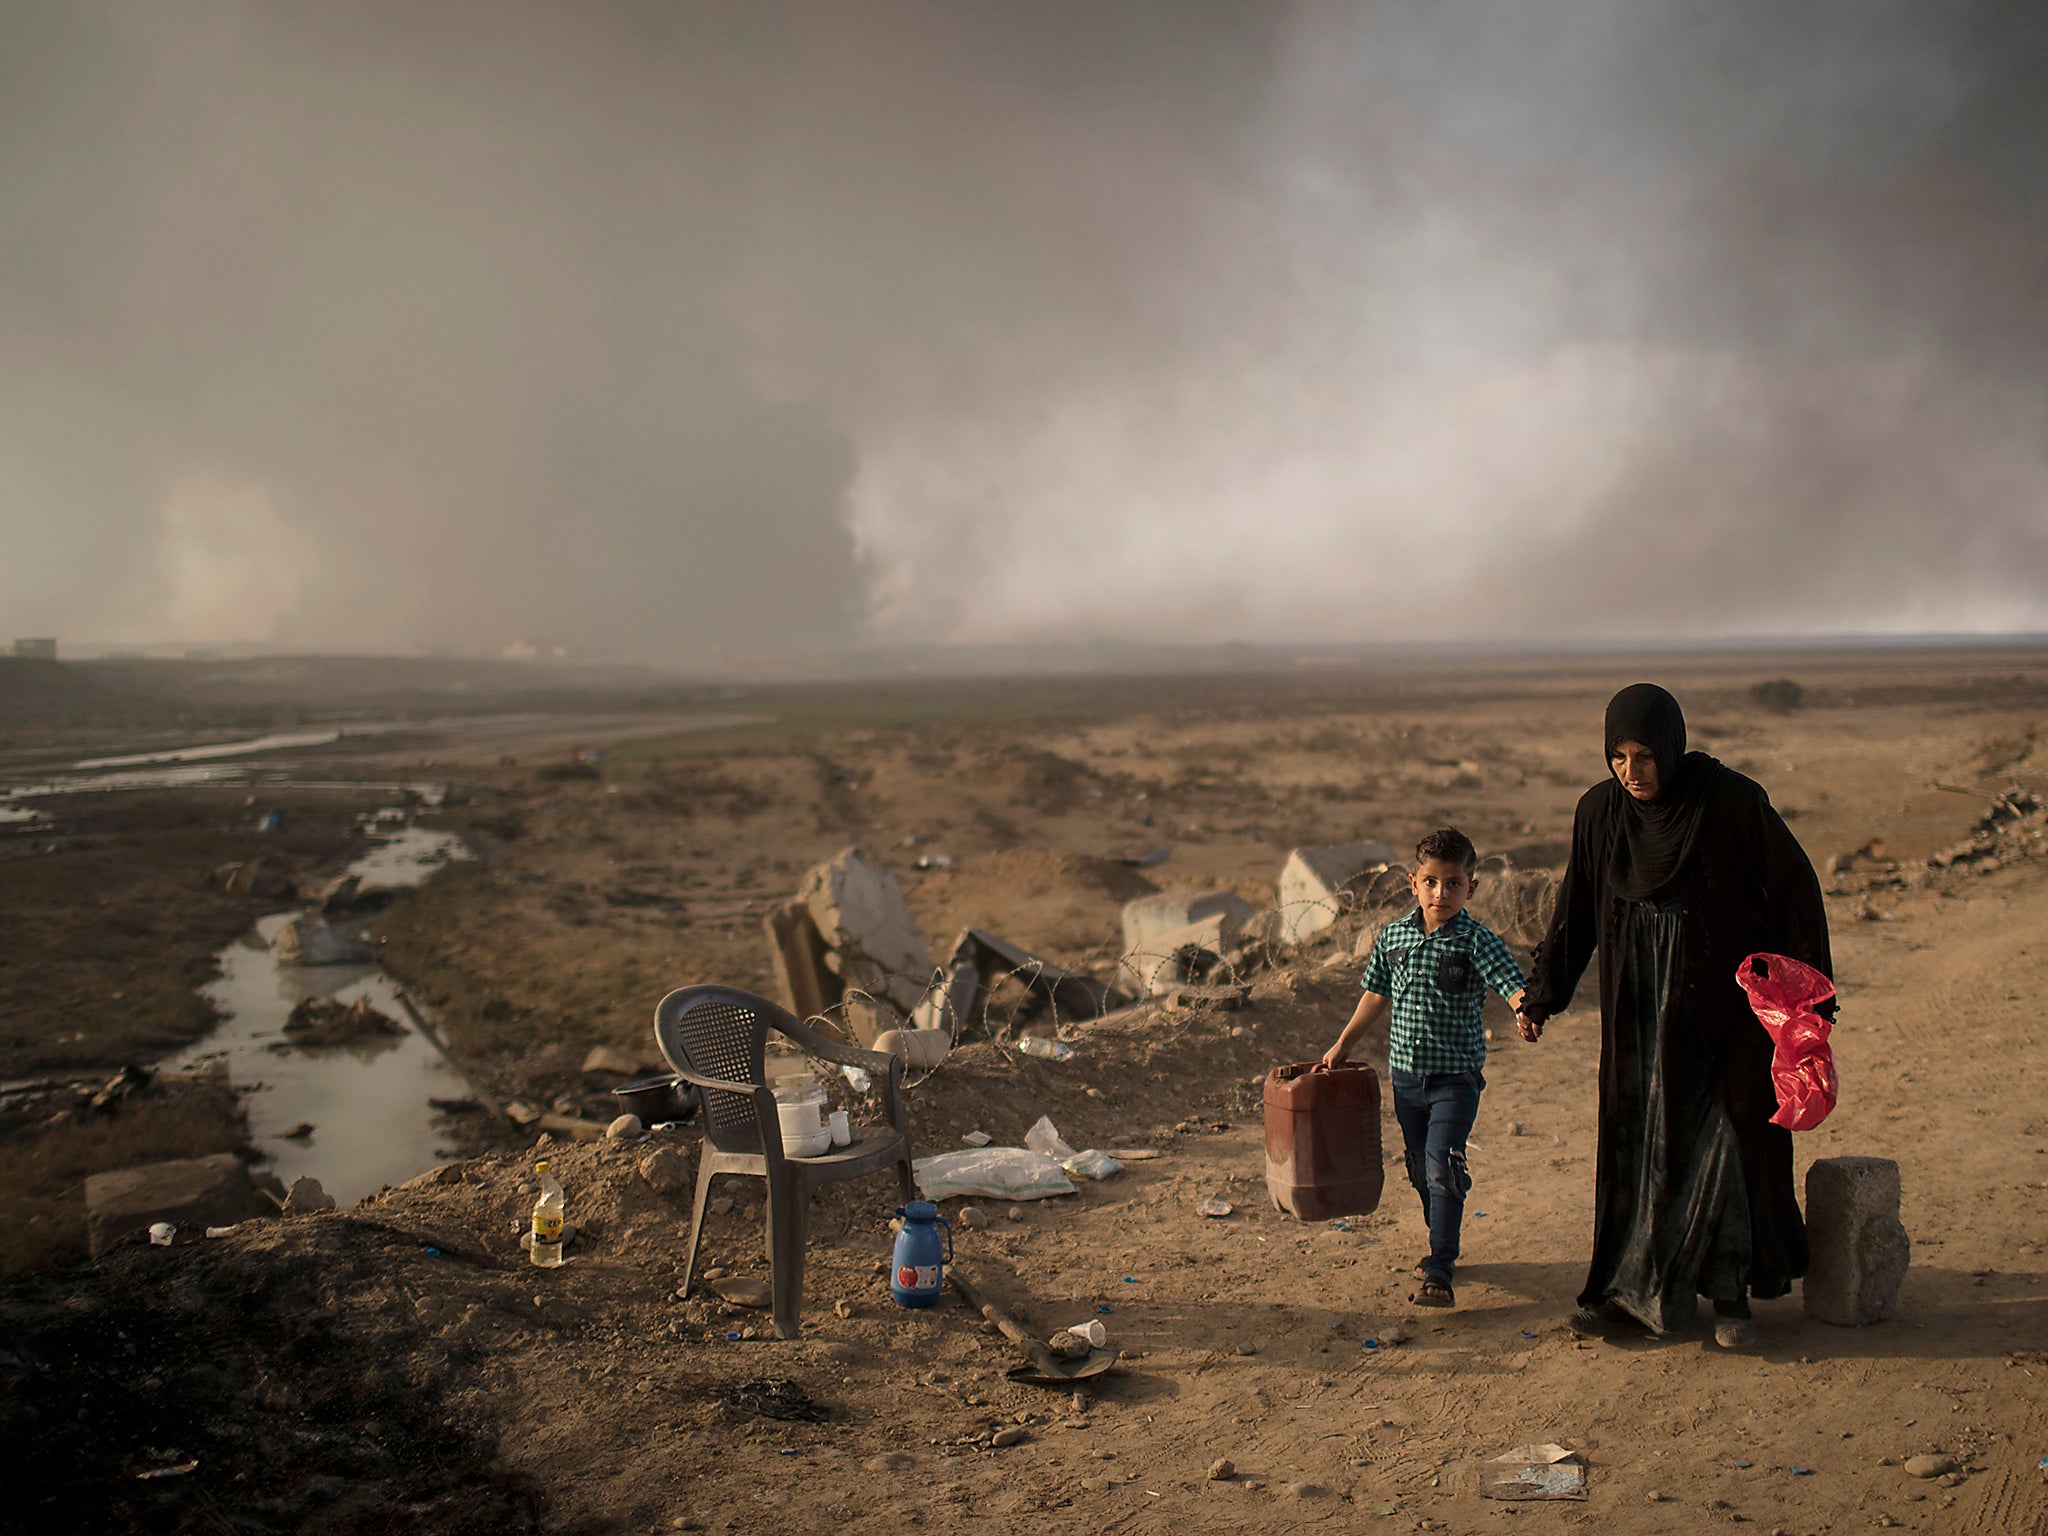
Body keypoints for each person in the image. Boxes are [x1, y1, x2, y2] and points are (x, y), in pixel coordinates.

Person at [1519, 683, 1831, 1349]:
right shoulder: (1600, 814)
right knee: (1648, 1148)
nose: (1634, 773)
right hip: (1639, 1019)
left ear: (1672, 746)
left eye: (1646, 756)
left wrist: (1804, 1004)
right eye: (1620, 757)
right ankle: (1646, 1290)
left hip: (1727, 1016)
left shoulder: (1731, 802)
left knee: (1726, 1139)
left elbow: (1795, 892)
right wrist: (1542, 993)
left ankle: (1731, 1297)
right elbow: (1576, 911)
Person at [1322, 828, 1528, 1308]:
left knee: (1441, 1166)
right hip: (1406, 1080)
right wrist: (1342, 1046)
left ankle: (1440, 1267)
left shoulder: (1478, 942)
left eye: (1453, 883)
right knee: (1420, 1169)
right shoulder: (1393, 936)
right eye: (1431, 882)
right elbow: (1375, 996)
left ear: (1470, 888)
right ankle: (1443, 1225)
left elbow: (1510, 982)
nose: (1442, 893)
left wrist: (1523, 1010)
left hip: (1455, 1079)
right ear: (1413, 882)